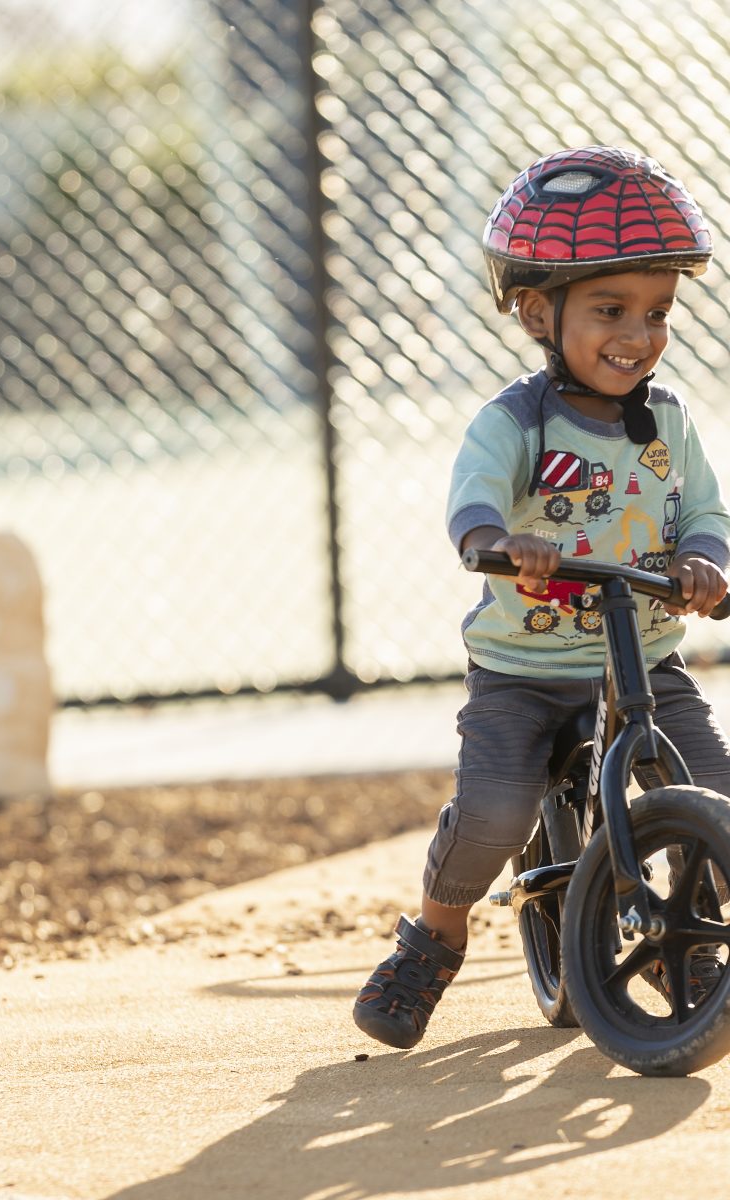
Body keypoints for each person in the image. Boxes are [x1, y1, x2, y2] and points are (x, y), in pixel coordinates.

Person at [353, 145, 730, 1050]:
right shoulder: (517, 420)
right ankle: (434, 939)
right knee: (496, 812)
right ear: (536, 312)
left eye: (658, 312)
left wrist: (705, 560)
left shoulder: (668, 420)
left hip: (643, 661)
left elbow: (705, 509)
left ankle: (692, 932)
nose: (639, 333)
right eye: (611, 309)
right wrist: (497, 543)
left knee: (715, 789)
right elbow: (474, 499)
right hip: (524, 669)